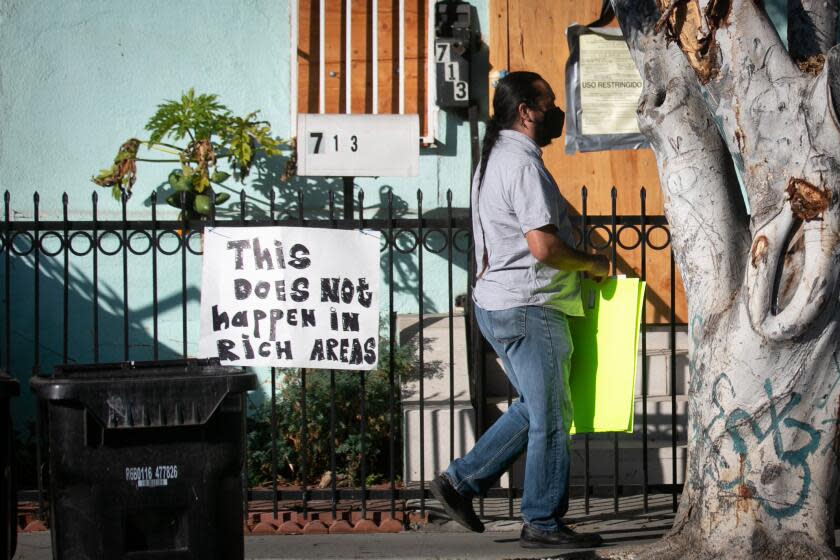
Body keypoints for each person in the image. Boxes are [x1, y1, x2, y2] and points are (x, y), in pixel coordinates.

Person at [429, 71, 610, 549]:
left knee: (536, 406)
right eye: (549, 103)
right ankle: (542, 522)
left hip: (496, 304)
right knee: (553, 414)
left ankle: (461, 482)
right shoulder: (523, 164)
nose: (557, 112)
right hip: (531, 308)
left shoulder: (494, 159)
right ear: (527, 111)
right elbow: (544, 247)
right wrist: (591, 262)